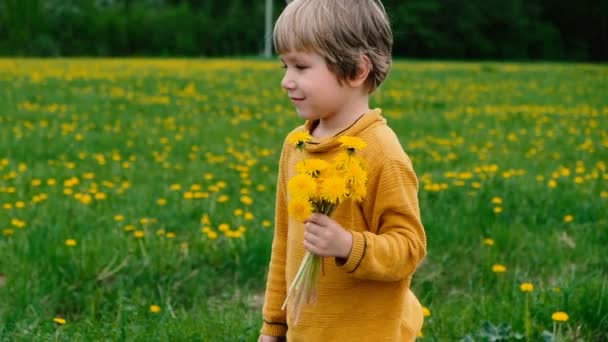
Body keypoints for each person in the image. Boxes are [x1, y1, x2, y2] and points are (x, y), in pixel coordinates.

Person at [259, 0, 427, 341]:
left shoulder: (383, 154)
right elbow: (284, 244)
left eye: (301, 67)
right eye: (284, 67)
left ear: (356, 71)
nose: (287, 82)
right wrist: (273, 326)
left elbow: (409, 249)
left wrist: (349, 246)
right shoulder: (296, 147)